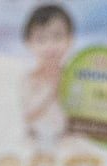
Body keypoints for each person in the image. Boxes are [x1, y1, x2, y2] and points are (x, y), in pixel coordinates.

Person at [22, 5, 75, 145]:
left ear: (70, 39)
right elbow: (28, 114)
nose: (50, 46)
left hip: (66, 140)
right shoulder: (29, 79)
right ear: (29, 43)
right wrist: (52, 91)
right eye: (41, 39)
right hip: (36, 140)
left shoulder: (73, 77)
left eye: (58, 37)